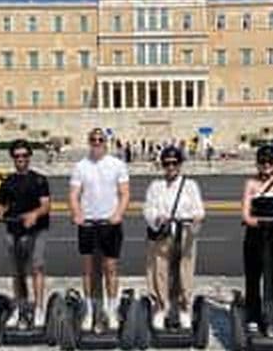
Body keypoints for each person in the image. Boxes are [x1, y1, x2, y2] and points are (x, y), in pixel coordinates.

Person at [69, 127, 130, 331]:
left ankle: (111, 310)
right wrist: (77, 213)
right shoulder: (80, 166)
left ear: (106, 142)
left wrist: (118, 214)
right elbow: (74, 194)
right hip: (88, 223)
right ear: (89, 142)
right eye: (93, 140)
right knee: (88, 270)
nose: (97, 143)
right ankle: (90, 309)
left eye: (100, 139)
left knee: (110, 268)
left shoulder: (117, 165)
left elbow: (124, 194)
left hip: (109, 223)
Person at [0, 139, 51, 328]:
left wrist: (34, 214)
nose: (21, 159)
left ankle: (39, 307)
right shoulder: (8, 181)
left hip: (36, 230)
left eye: (24, 155)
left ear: (30, 157)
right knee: (17, 271)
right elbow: (0, 205)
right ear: (13, 158)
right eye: (17, 156)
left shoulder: (39, 180)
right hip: (13, 230)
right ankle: (19, 306)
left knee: (37, 267)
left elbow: (46, 205)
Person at [143, 146, 205, 329]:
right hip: (162, 232)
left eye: (174, 163)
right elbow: (148, 208)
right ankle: (161, 307)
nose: (170, 167)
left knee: (184, 271)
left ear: (180, 164)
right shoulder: (156, 186)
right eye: (167, 163)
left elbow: (199, 209)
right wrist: (157, 217)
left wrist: (195, 217)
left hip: (184, 232)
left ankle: (184, 307)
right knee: (159, 270)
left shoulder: (190, 185)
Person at [241, 145, 273, 335]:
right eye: (262, 162)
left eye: (270, 162)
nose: (266, 165)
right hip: (255, 235)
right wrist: (255, 221)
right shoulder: (250, 184)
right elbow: (246, 214)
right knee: (253, 277)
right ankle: (253, 316)